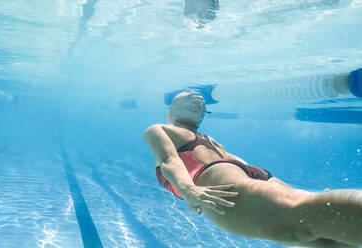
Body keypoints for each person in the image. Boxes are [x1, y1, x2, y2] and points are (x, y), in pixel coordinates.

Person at [144, 91, 362, 248]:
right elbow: (242, 166)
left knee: (304, 219)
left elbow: (170, 160)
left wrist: (187, 189)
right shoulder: (210, 141)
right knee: (319, 239)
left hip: (218, 176)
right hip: (249, 172)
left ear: (171, 109)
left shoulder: (160, 129)